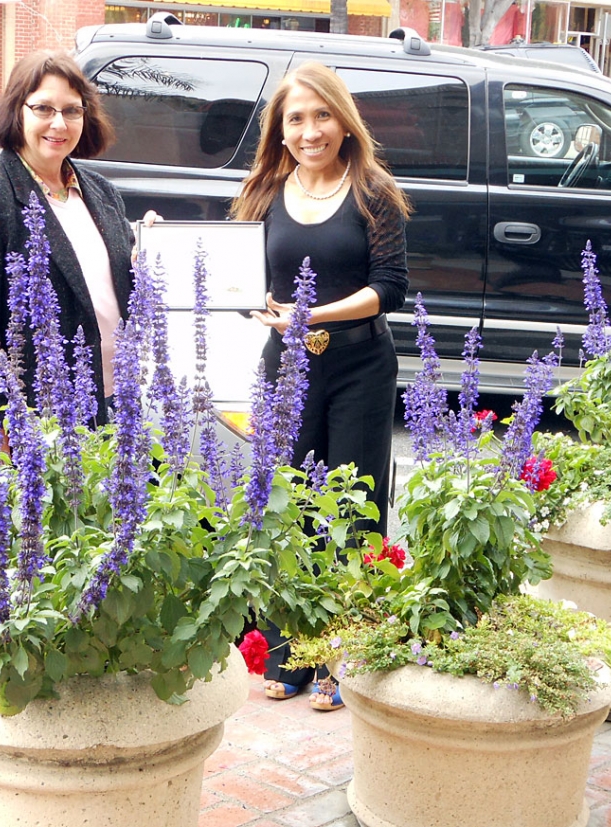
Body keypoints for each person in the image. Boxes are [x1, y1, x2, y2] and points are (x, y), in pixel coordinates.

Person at [230, 62, 411, 711]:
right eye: (297, 118)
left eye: (321, 115)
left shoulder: (372, 191)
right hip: (287, 370)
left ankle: (342, 656)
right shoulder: (265, 191)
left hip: (360, 365)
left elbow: (390, 286)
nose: (311, 130)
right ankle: (291, 654)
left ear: (343, 120)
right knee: (290, 507)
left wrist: (314, 313)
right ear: (281, 130)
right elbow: (238, 274)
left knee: (356, 512)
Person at [0, 50, 156, 428]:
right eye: (43, 109)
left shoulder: (99, 191)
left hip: (115, 402)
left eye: (72, 110)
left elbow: (118, 289)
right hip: (39, 420)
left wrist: (149, 251)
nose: (59, 123)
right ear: (16, 111)